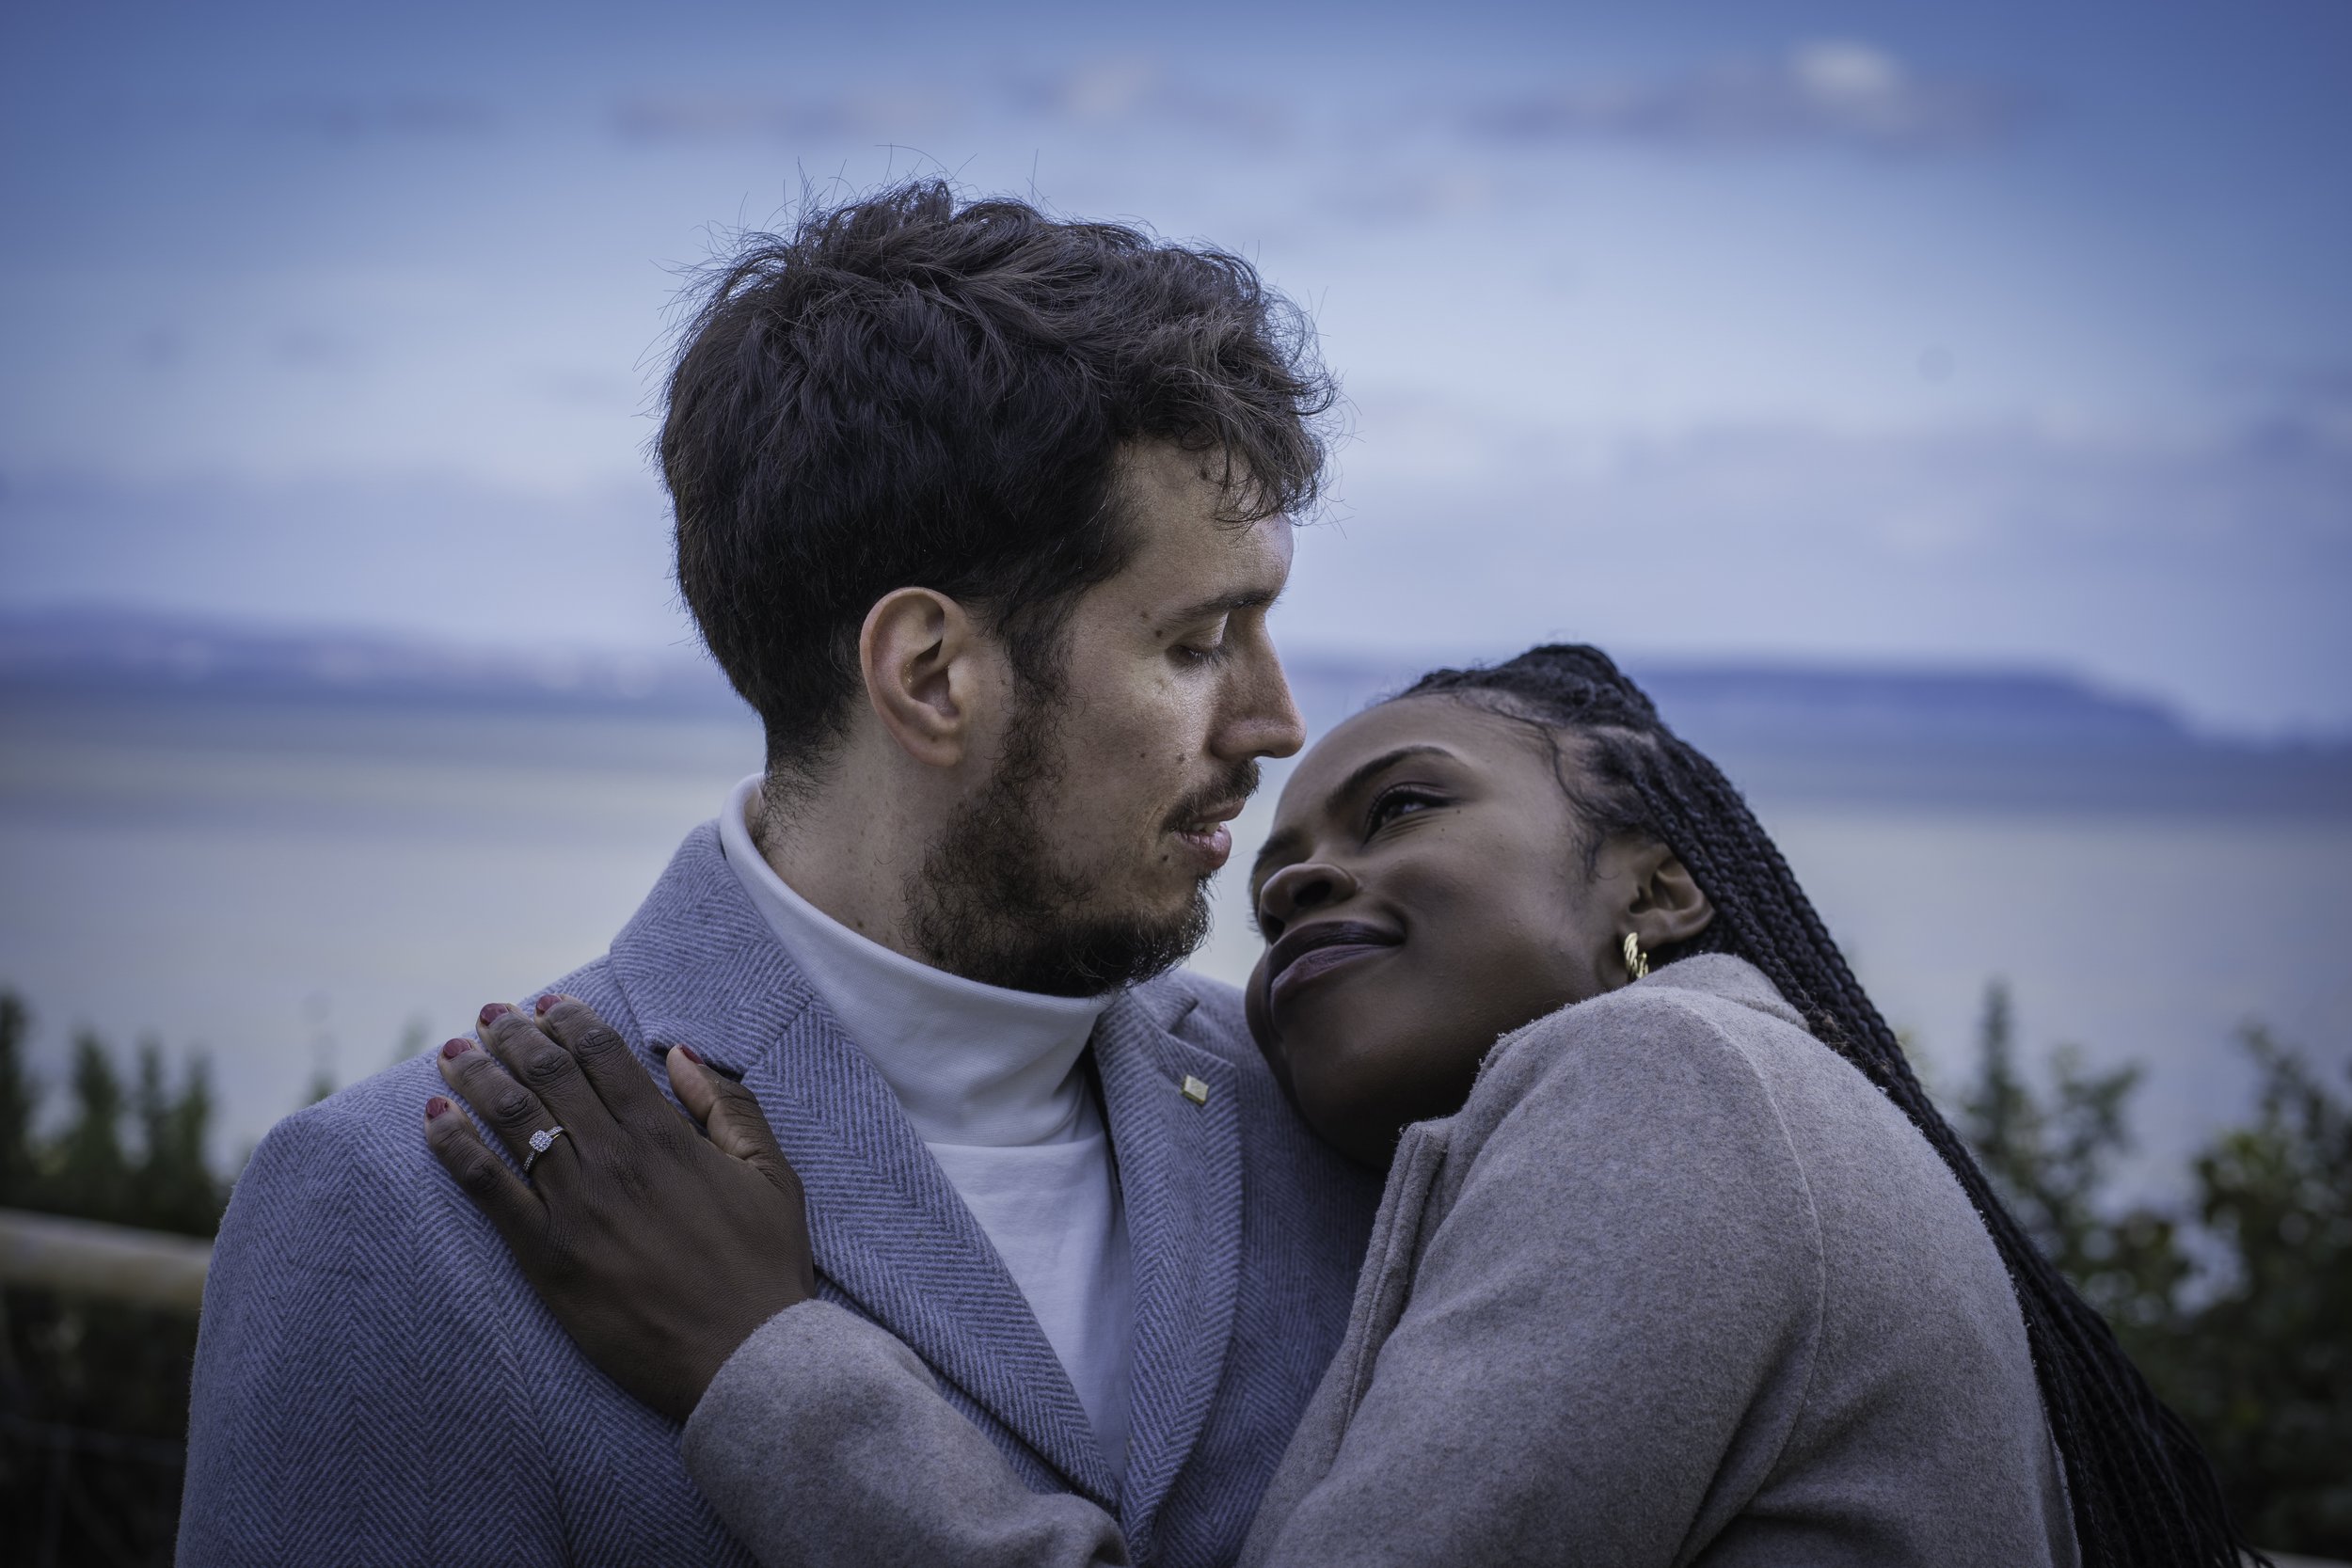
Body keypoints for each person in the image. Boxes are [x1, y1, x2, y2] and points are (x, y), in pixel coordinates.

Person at [431, 645, 2259, 1568]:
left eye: (1400, 810)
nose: (1297, 879)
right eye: (1275, 867)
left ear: (1656, 888)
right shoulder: (1725, 1116)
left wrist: (758, 1355)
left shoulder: (1667, 1081)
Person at [178, 182, 1385, 1568]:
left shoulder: (1316, 1109)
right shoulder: (405, 1213)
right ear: (932, 674)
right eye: (1195, 644)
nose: (1276, 724)